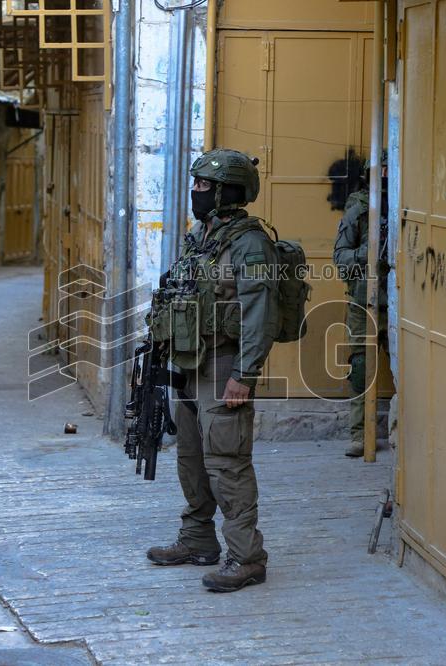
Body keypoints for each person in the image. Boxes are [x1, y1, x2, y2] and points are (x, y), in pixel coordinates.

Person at [145, 149, 279, 592]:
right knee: (190, 457)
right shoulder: (201, 235)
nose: (196, 192)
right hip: (187, 362)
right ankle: (198, 539)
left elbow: (260, 314)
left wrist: (245, 374)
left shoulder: (250, 243)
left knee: (227, 463)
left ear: (227, 192)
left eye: (204, 186)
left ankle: (247, 558)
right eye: (197, 184)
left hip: (223, 365)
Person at [333, 157, 371, 458]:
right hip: (364, 301)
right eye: (380, 172)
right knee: (360, 367)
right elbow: (341, 257)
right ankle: (359, 433)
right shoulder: (359, 207)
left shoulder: (410, 203)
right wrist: (367, 252)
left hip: (406, 302)